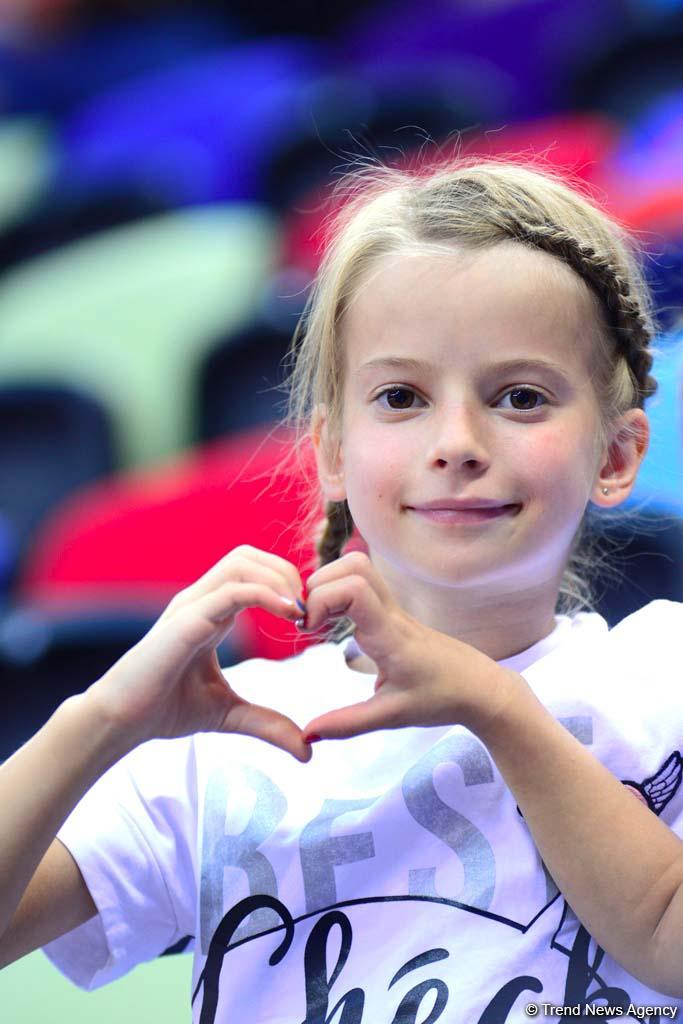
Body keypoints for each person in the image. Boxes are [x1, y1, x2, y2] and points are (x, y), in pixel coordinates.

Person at [2, 157, 683, 1022]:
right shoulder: (229, 740)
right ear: (329, 453)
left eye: (519, 396)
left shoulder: (665, 670)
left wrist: (494, 706)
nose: (457, 442)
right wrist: (98, 722)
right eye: (400, 396)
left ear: (617, 455)